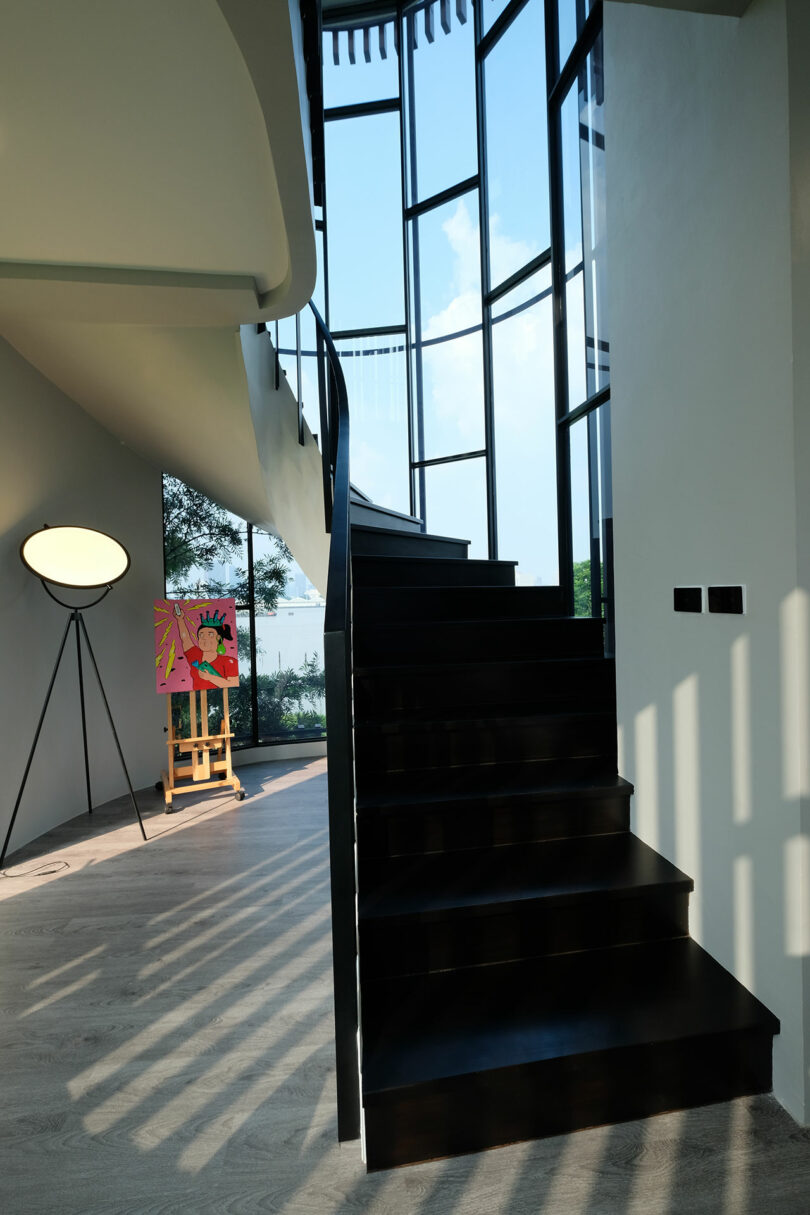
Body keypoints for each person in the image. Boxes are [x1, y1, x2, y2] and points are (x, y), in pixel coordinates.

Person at [173, 603, 239, 691]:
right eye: (201, 635)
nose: (205, 638)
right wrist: (180, 620)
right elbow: (185, 639)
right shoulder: (195, 656)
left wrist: (210, 677)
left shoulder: (229, 662)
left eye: (210, 634)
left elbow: (233, 685)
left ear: (218, 638)